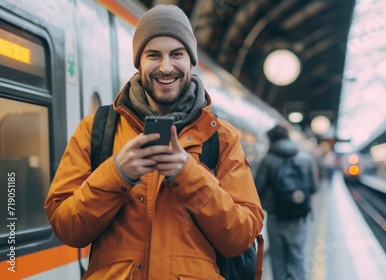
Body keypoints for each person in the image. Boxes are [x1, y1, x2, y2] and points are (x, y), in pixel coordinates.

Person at [44, 5, 264, 279]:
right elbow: (67, 227)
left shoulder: (220, 136)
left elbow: (241, 236)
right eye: (153, 55)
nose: (166, 67)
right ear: (139, 62)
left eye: (176, 54)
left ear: (191, 61)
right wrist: (117, 173)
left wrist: (187, 173)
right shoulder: (96, 129)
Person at [254, 124, 317, 280]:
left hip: (276, 216)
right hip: (299, 216)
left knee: (278, 257)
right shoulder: (305, 158)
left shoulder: (267, 160)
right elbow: (313, 187)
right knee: (297, 255)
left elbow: (256, 189)